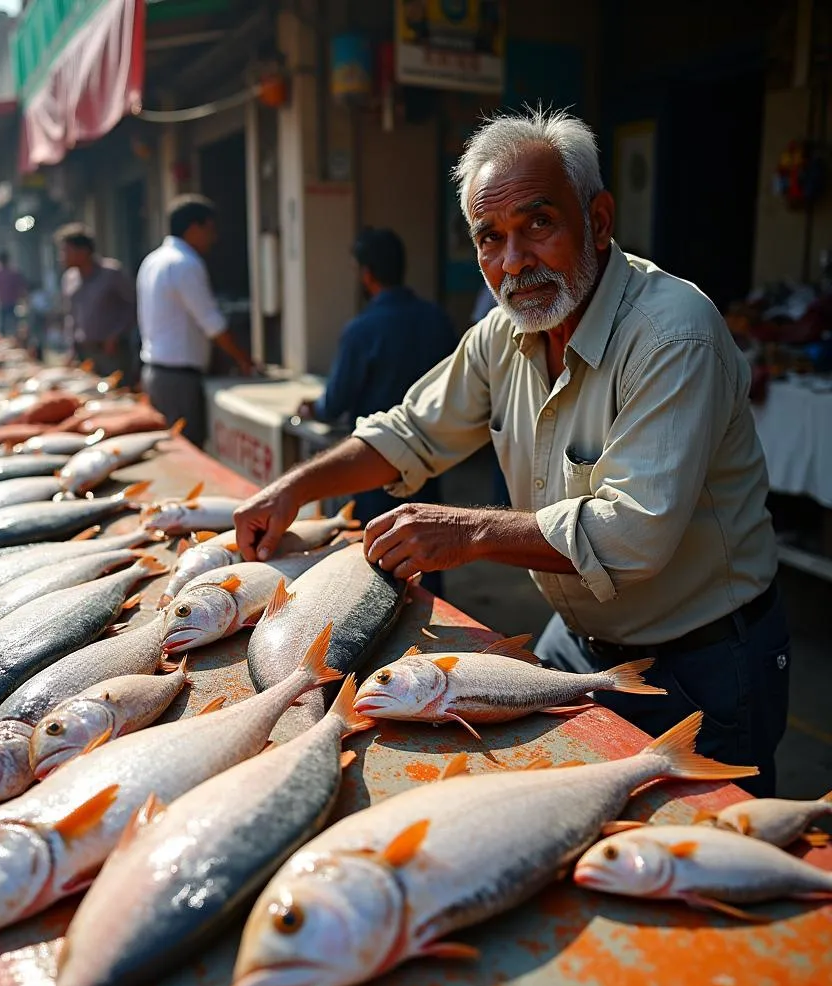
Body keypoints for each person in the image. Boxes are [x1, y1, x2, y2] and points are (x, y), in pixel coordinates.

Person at [233, 108, 787, 795]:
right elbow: (411, 431)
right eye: (490, 238)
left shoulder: (673, 334)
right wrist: (292, 490)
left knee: (700, 862)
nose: (514, 262)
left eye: (539, 225)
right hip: (578, 639)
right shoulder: (505, 334)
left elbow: (633, 535)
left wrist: (470, 532)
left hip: (706, 657)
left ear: (600, 220)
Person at [296, 227, 456, 593]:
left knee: (379, 559)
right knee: (429, 545)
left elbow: (334, 402)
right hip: (430, 458)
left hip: (376, 465)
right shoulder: (436, 319)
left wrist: (312, 408)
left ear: (366, 273)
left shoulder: (362, 329)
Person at [137, 194, 254, 447]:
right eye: (209, 230)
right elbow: (212, 324)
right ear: (194, 228)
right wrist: (244, 360)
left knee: (171, 452)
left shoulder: (153, 260)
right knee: (184, 452)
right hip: (178, 380)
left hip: (157, 372)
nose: (214, 238)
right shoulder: (185, 263)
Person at [57, 224, 137, 381]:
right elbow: (70, 315)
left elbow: (133, 306)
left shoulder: (111, 273)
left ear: (83, 251)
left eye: (66, 251)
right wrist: (71, 348)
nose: (61, 256)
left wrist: (116, 334)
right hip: (84, 352)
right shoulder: (69, 278)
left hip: (111, 352)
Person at [0, 251, 27, 338]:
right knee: (12, 326)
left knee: (4, 328)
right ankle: (12, 341)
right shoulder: (14, 273)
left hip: (5, 303)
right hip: (10, 303)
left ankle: (7, 341)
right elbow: (21, 288)